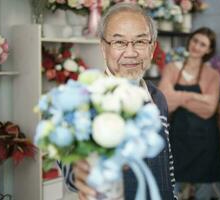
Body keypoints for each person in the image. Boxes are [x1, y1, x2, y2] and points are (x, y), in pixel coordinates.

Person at [57, 3, 176, 200]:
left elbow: (167, 166)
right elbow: (71, 169)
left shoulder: (157, 97)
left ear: (152, 48)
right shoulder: (81, 100)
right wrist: (80, 171)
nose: (131, 53)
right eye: (119, 43)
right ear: (103, 48)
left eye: (140, 42)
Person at [158, 27, 220, 200]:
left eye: (203, 44)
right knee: (173, 187)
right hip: (178, 138)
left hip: (205, 140)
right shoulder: (171, 68)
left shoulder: (212, 75)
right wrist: (195, 96)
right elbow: (166, 103)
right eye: (195, 40)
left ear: (208, 50)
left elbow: (209, 110)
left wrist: (179, 98)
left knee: (203, 189)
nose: (196, 46)